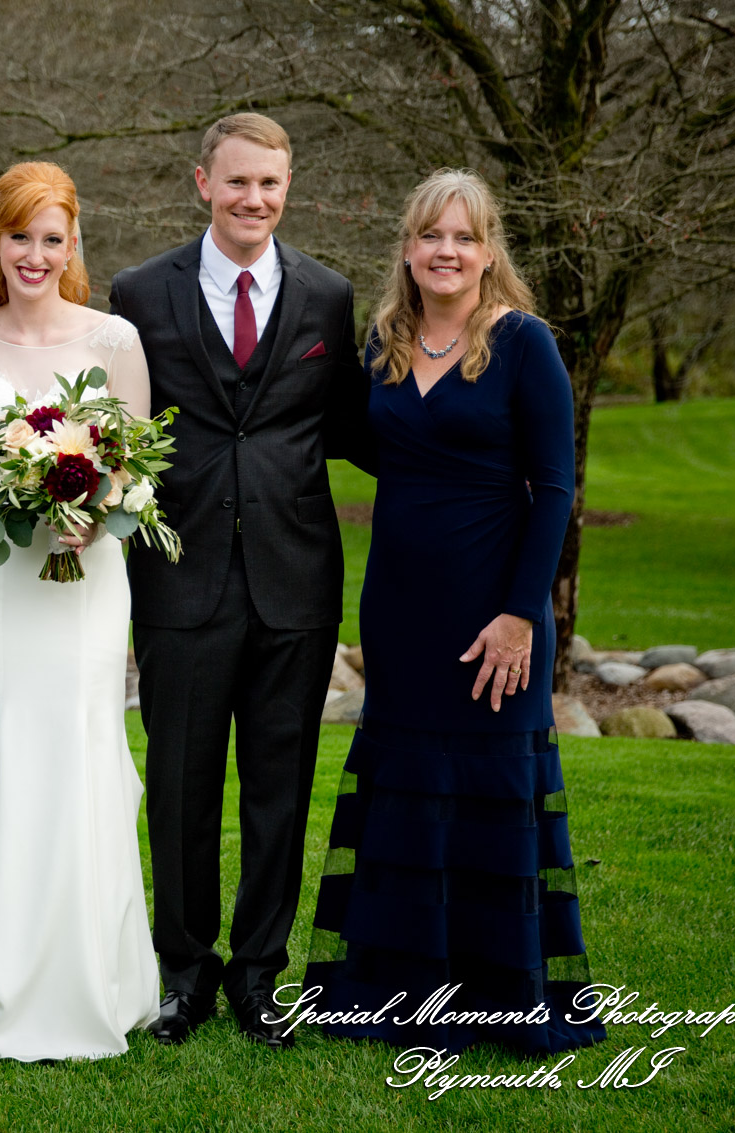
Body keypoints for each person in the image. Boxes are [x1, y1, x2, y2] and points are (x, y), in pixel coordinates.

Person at [301, 168, 605, 1054]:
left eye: (464, 237)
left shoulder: (523, 344)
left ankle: (496, 995)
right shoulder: (385, 344)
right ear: (407, 249)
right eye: (431, 235)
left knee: (489, 790)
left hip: (493, 608)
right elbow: (374, 444)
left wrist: (520, 615)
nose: (447, 251)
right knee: (408, 788)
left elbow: (556, 490)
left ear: (488, 251)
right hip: (402, 605)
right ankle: (396, 987)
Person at [108, 113, 371, 1049]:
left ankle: (261, 976)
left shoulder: (328, 296)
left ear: (287, 188)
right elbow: (119, 429)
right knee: (181, 787)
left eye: (269, 183)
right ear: (203, 183)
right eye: (237, 182)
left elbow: (354, 426)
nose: (253, 199)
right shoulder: (139, 293)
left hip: (294, 581)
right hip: (179, 577)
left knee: (279, 788)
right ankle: (185, 974)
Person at [0, 161, 159, 1061]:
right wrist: (16, 497)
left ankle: (92, 977)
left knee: (82, 748)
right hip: (2, 586)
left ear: (72, 244)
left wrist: (94, 514)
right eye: (18, 235)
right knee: (0, 753)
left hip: (87, 586)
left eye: (51, 238)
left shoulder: (114, 338)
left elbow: (134, 464)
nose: (34, 253)